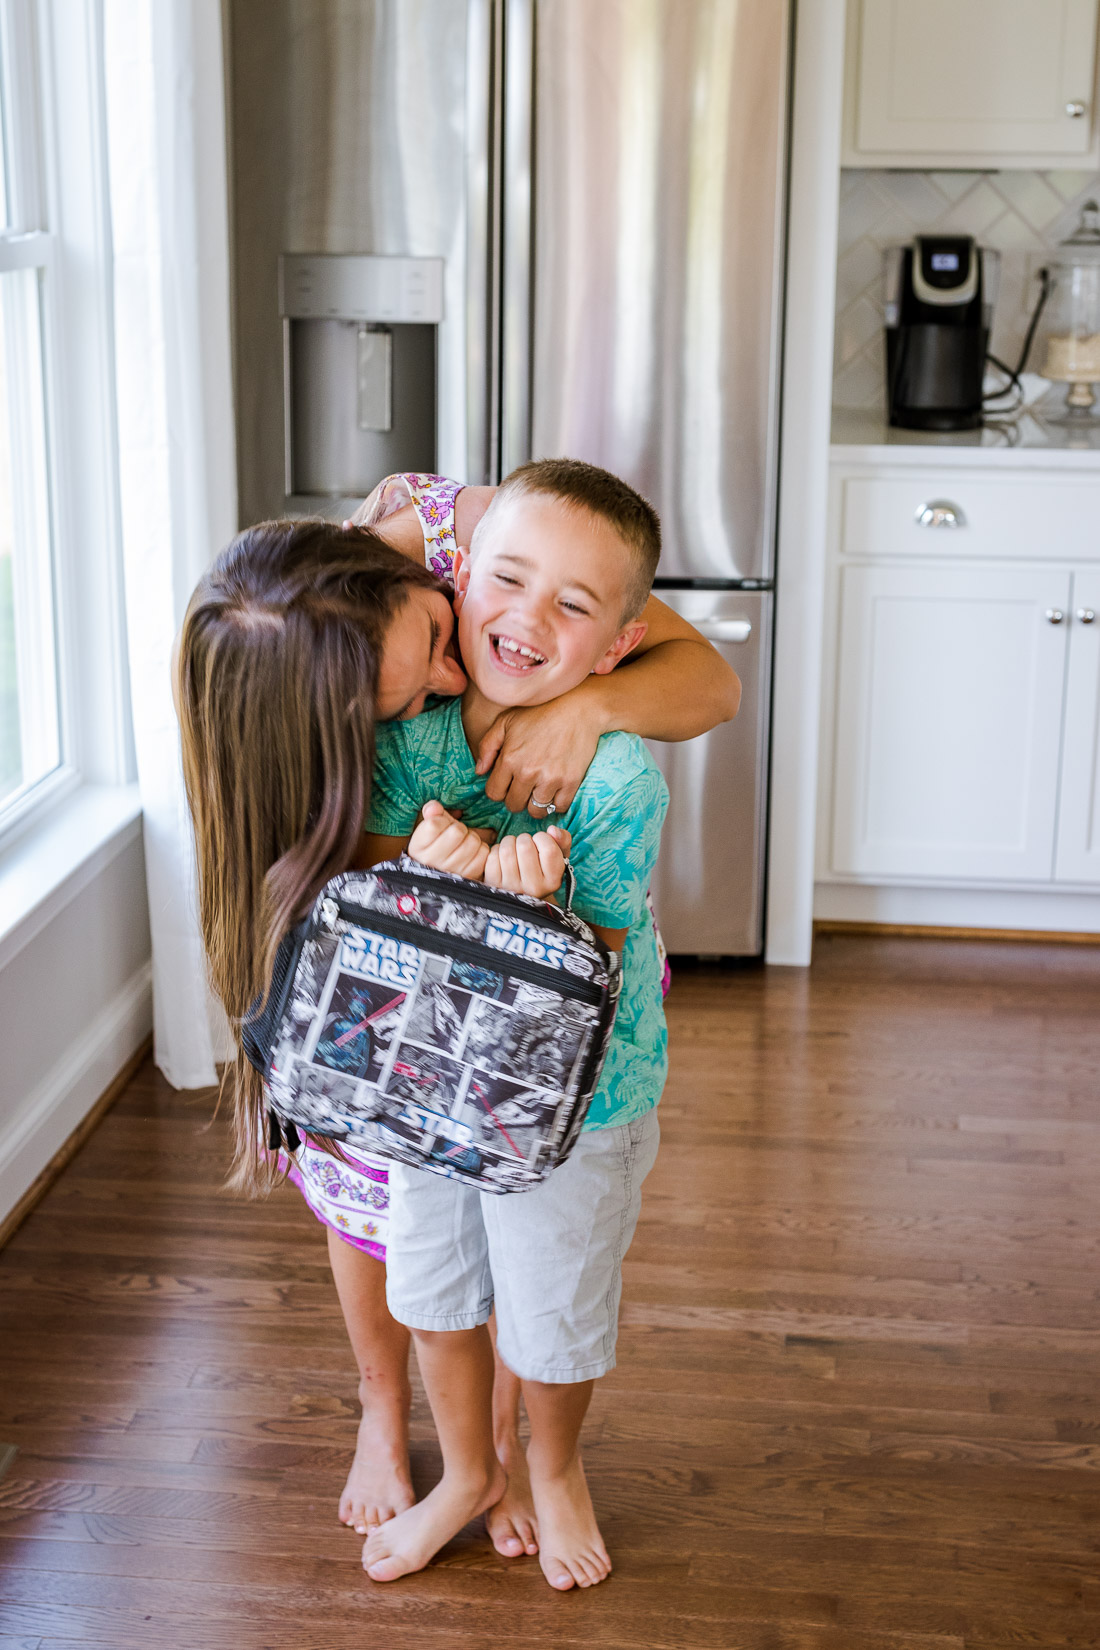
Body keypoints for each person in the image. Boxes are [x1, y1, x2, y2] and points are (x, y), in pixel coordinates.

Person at [177, 471, 740, 1567]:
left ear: (430, 578)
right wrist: (441, 875)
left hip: (558, 1065)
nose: (451, 674)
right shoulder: (348, 733)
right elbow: (363, 872)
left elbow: (693, 681)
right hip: (394, 1030)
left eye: (435, 635)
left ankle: (514, 1458)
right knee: (392, 1235)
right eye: (404, 697)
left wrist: (583, 709)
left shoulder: (491, 548)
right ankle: (393, 1423)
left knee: (539, 1280)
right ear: (346, 721)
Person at [355, 458, 669, 1591]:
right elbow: (369, 896)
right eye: (508, 579)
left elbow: (608, 962)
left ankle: (555, 1464)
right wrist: (423, 875)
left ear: (614, 650)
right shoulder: (408, 739)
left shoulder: (617, 780)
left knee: (550, 1315)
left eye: (573, 605)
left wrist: (526, 905)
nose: (527, 618)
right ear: (460, 577)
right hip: (426, 1084)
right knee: (433, 1294)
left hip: (577, 1110)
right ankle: (467, 1473)